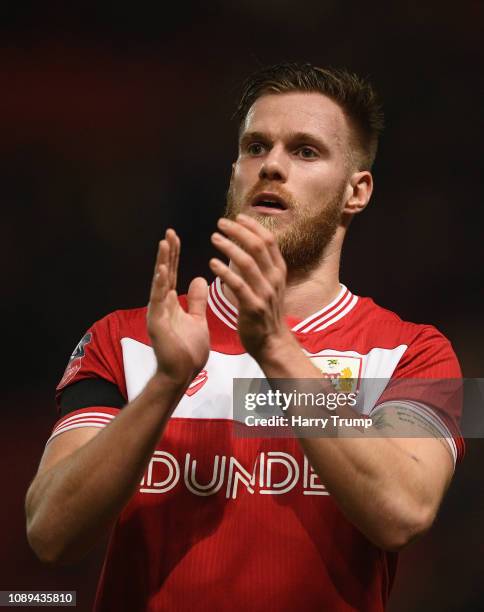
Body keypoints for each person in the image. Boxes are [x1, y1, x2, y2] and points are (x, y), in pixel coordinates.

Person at [25, 63, 463, 611]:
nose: (272, 165)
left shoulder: (419, 353)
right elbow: (49, 534)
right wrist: (165, 384)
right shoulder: (124, 339)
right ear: (234, 171)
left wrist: (275, 347)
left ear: (358, 191)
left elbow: (403, 512)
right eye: (256, 147)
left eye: (305, 152)